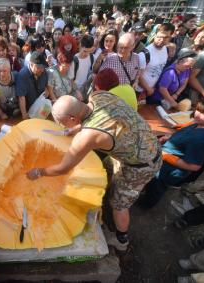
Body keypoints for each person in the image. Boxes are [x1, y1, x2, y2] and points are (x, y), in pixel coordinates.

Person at [26, 93, 161, 252]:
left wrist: (38, 172)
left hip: (141, 165)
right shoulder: (97, 96)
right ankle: (102, 198)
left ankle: (121, 240)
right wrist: (76, 128)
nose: (64, 127)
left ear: (71, 118)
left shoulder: (87, 136)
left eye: (64, 124)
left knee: (119, 204)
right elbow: (96, 119)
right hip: (148, 143)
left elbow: (63, 168)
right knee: (106, 168)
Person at [138, 95, 204, 209]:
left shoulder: (202, 140)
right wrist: (169, 137)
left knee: (156, 187)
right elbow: (187, 133)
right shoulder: (202, 123)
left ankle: (147, 203)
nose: (197, 114)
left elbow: (194, 166)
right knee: (152, 181)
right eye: (198, 110)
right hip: (164, 160)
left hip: (169, 170)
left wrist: (166, 156)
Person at [137, 23, 175, 100]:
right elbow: (138, 76)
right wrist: (148, 89)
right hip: (139, 91)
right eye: (159, 37)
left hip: (151, 90)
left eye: (166, 37)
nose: (161, 40)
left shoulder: (165, 50)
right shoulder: (145, 53)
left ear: (170, 37)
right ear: (155, 35)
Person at [16, 51, 51, 119]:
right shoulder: (22, 75)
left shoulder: (44, 72)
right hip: (29, 110)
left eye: (43, 67)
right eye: (38, 67)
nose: (41, 70)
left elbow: (46, 85)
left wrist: (46, 90)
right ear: (31, 64)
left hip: (42, 106)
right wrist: (24, 115)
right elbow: (21, 97)